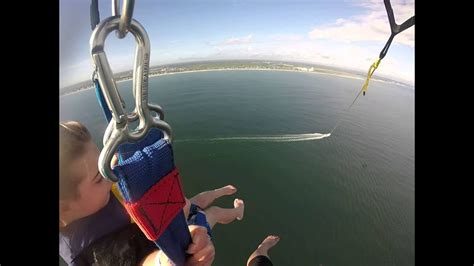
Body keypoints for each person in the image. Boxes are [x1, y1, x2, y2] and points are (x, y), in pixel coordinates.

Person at [60, 121, 217, 265]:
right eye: (99, 177)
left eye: (103, 163)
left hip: (148, 227)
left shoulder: (92, 200)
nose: (110, 174)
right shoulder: (89, 250)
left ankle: (224, 203)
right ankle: (230, 210)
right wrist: (165, 259)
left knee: (194, 206)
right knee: (206, 214)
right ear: (63, 209)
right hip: (156, 243)